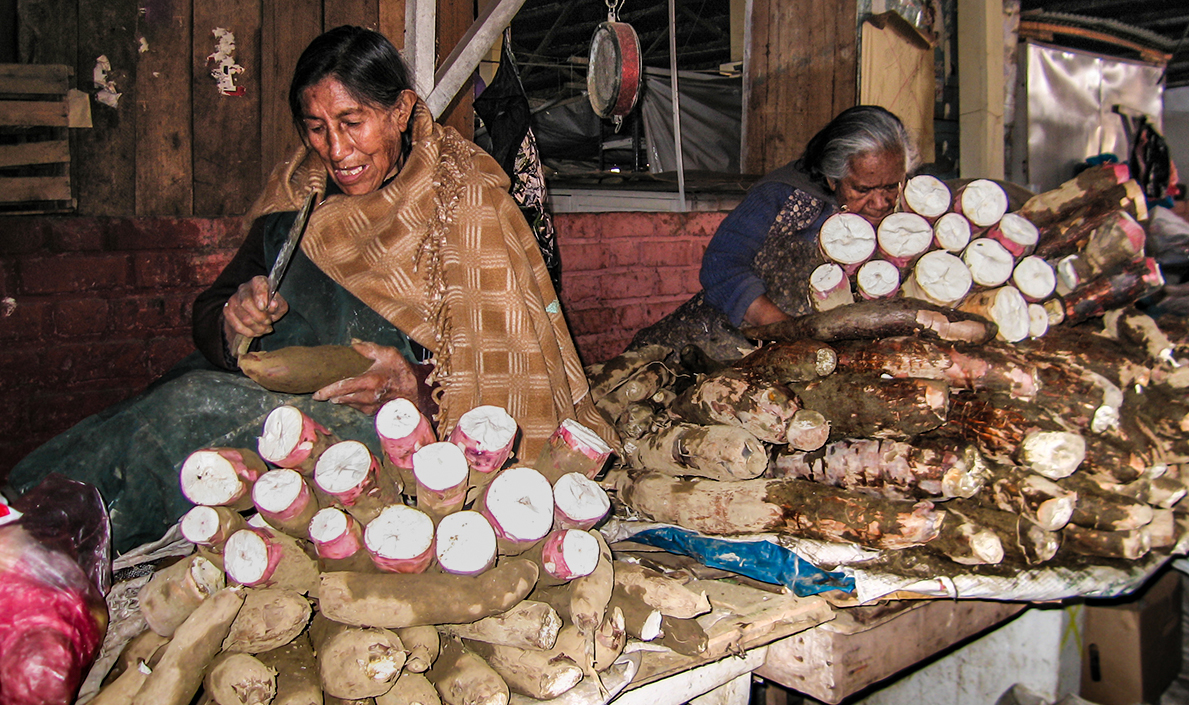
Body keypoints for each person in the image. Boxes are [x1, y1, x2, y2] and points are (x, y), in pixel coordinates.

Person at [7, 26, 611, 553]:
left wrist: (416, 384)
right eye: (317, 128)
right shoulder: (298, 199)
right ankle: (25, 518)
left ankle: (41, 534)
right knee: (170, 402)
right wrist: (232, 317)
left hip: (394, 439)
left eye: (353, 123)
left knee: (187, 415)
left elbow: (508, 368)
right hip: (268, 407)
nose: (337, 150)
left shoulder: (465, 206)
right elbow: (208, 314)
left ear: (400, 112)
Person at [627, 105, 915, 360]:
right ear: (832, 177)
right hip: (712, 347)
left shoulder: (909, 218)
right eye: (862, 189)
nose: (880, 203)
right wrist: (787, 331)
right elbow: (722, 265)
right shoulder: (782, 196)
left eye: (891, 186)